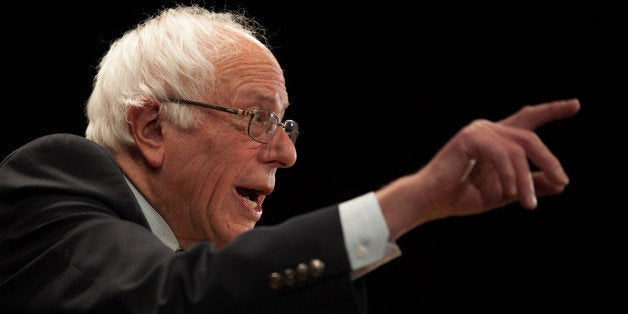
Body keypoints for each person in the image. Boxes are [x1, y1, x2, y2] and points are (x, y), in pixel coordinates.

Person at [0, 4, 580, 313]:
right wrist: (414, 199)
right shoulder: (53, 182)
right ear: (152, 127)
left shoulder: (199, 266)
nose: (286, 152)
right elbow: (167, 296)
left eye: (286, 124)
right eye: (257, 119)